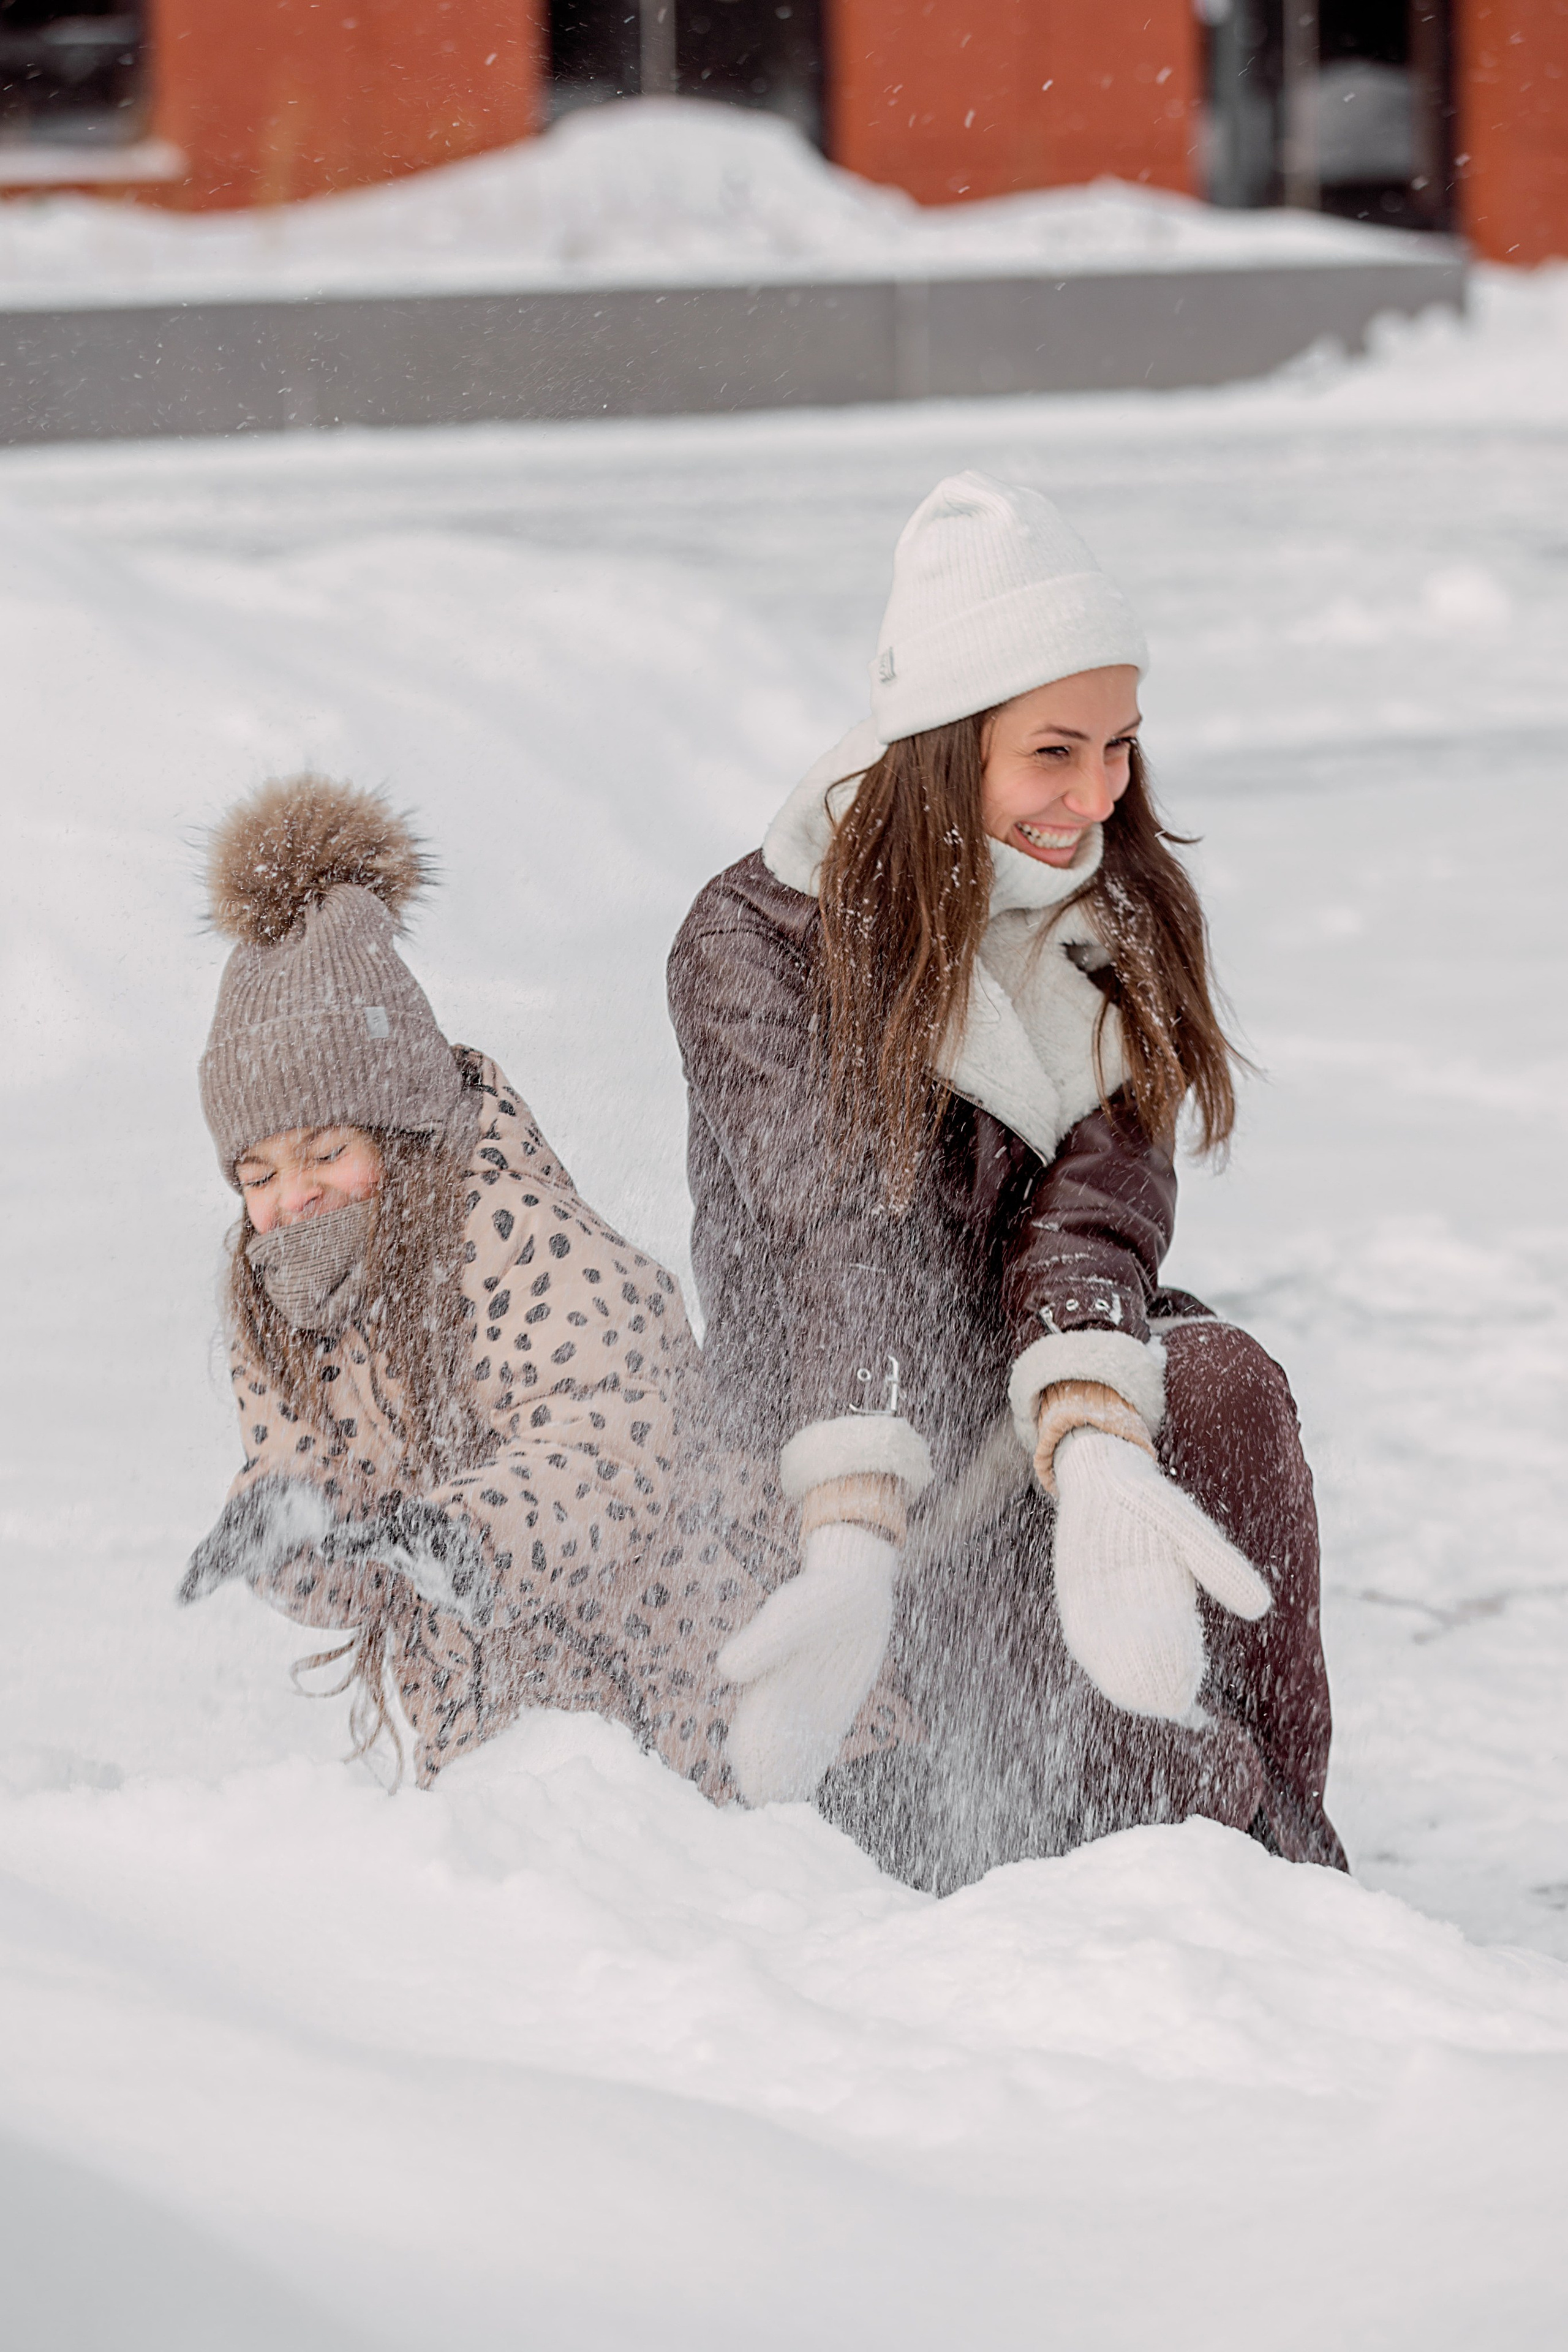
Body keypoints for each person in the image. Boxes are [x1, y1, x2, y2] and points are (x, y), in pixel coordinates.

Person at [668, 470, 1346, 1893]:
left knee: (1220, 1382)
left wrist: (1100, 1450)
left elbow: (1095, 1219)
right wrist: (852, 1543)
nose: (1095, 793)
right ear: (943, 742)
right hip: (843, 1459)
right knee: (1021, 1811)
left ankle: (1292, 1872)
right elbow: (835, 1237)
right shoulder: (756, 939)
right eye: (1053, 750)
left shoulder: (1113, 914)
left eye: (1118, 746)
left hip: (1038, 1435)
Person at [179, 774, 775, 1792]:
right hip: (519, 1746)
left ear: (402, 1130)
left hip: (723, 1711)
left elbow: (617, 1433)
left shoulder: (501, 1227)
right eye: (260, 1174)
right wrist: (290, 1530)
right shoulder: (281, 1303)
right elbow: (357, 1555)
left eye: (326, 1151)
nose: (297, 1198)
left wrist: (465, 1534)